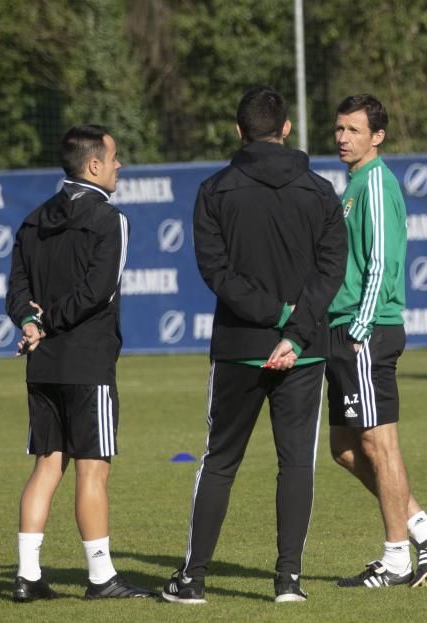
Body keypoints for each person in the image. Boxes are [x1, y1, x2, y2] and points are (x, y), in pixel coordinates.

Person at [163, 87, 347, 604]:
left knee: (219, 462)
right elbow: (330, 271)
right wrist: (293, 327)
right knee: (296, 464)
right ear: (286, 128)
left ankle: (193, 580)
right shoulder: (320, 190)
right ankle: (288, 581)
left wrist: (277, 318)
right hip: (305, 350)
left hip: (240, 346)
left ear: (238, 130)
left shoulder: (214, 189)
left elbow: (215, 272)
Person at [5, 125, 155, 601]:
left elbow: (17, 293)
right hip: (87, 364)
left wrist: (30, 323)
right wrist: (46, 324)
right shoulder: (110, 219)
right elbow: (98, 292)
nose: (119, 165)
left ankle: (28, 576)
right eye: (114, 158)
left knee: (47, 466)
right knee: (93, 469)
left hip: (42, 366)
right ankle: (100, 578)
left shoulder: (32, 220)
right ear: (93, 165)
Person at [327, 94, 427, 589]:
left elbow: (380, 260)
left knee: (380, 447)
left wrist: (360, 328)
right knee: (344, 448)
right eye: (339, 129)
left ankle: (396, 558)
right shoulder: (353, 185)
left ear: (377, 137)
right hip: (343, 328)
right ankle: (426, 529)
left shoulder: (377, 183)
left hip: (366, 329)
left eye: (354, 130)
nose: (343, 138)